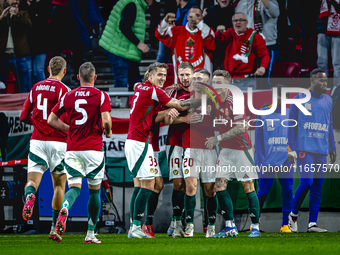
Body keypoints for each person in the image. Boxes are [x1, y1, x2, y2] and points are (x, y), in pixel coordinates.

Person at [126, 62, 200, 238]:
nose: (162, 78)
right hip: (140, 142)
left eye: (164, 75)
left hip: (142, 142)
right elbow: (181, 106)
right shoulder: (154, 91)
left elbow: (155, 116)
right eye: (158, 75)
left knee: (150, 183)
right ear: (149, 76)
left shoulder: (142, 89)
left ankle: (138, 226)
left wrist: (168, 112)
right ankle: (136, 226)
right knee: (147, 184)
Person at [48, 62, 112, 244]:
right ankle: (90, 234)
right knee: (94, 192)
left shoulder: (68, 95)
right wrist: (108, 131)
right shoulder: (101, 96)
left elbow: (51, 119)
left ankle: (65, 208)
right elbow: (106, 120)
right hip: (93, 150)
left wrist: (69, 129)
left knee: (74, 189)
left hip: (73, 150)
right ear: (95, 77)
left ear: (78, 77)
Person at [20, 56, 70, 242]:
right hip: (58, 142)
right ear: (64, 71)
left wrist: (36, 123)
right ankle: (54, 228)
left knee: (32, 182)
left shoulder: (35, 88)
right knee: (59, 185)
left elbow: (23, 116)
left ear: (48, 69)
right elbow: (69, 118)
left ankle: (30, 196)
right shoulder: (65, 90)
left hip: (37, 141)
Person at [205, 70, 260, 238]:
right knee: (219, 186)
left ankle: (255, 228)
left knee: (248, 187)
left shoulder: (234, 99)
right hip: (226, 151)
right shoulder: (213, 99)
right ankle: (230, 227)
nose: (216, 86)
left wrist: (218, 138)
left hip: (242, 148)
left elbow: (242, 126)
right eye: (214, 82)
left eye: (220, 83)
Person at [287, 68, 337, 233]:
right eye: (321, 81)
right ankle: (293, 215)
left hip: (321, 150)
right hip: (304, 149)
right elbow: (290, 124)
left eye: (326, 81)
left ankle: (312, 224)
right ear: (312, 81)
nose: (325, 84)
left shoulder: (328, 100)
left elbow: (329, 125)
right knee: (307, 182)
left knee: (317, 186)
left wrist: (332, 147)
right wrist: (291, 148)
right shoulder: (300, 98)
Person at [173, 68, 217, 238]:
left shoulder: (214, 101)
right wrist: (180, 117)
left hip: (209, 150)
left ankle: (211, 226)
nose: (197, 81)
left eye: (201, 79)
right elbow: (168, 118)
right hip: (190, 148)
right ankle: (189, 225)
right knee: (190, 187)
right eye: (195, 78)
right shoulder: (183, 99)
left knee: (210, 190)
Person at [254, 84, 294, 233]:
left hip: (285, 160)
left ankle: (285, 225)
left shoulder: (290, 114)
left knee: (288, 191)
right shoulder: (263, 113)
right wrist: (260, 161)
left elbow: (293, 138)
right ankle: (255, 222)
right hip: (267, 161)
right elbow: (258, 140)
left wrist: (292, 155)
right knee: (263, 191)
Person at [165, 62, 194, 237]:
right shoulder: (172, 92)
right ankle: (176, 222)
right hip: (175, 141)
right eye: (181, 74)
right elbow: (165, 118)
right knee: (178, 184)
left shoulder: (200, 93)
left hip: (193, 143)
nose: (184, 78)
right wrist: (183, 119)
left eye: (187, 74)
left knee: (191, 184)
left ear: (193, 74)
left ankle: (188, 223)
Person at [99, 0, 153, 91]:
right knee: (122, 83)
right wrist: (138, 43)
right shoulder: (132, 4)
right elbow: (124, 26)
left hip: (126, 51)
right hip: (118, 50)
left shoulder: (135, 4)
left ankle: (134, 104)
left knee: (136, 83)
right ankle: (120, 105)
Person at [155, 7, 216, 83]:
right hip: (181, 83)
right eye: (191, 16)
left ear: (202, 17)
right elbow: (159, 34)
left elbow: (211, 44)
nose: (194, 18)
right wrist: (165, 21)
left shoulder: (207, 32)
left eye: (197, 15)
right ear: (187, 17)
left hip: (202, 84)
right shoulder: (176, 32)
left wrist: (199, 23)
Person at [215, 12, 269, 90]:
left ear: (246, 22)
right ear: (232, 23)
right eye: (235, 20)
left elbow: (264, 54)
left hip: (247, 81)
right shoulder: (229, 33)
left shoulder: (255, 36)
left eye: (241, 20)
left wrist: (263, 67)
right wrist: (218, 32)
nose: (238, 22)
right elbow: (220, 40)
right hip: (230, 80)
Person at [236, 0, 280, 86]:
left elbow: (275, 13)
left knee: (265, 80)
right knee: (248, 81)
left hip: (267, 44)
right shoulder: (242, 2)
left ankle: (266, 98)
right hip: (249, 46)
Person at [0, 0, 31, 93]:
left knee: (24, 87)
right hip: (3, 56)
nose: (15, 1)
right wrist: (1, 17)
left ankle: (25, 107)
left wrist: (17, 16)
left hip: (19, 56)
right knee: (1, 86)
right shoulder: (2, 14)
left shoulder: (23, 13)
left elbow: (29, 27)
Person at [204, 0, 235, 70]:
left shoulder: (235, 10)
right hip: (215, 51)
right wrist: (216, 30)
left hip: (231, 51)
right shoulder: (210, 10)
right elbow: (206, 29)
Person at [317, 0, 340, 88]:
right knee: (321, 63)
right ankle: (322, 88)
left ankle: (337, 89)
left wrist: (332, 2)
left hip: (337, 32)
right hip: (322, 29)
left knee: (337, 63)